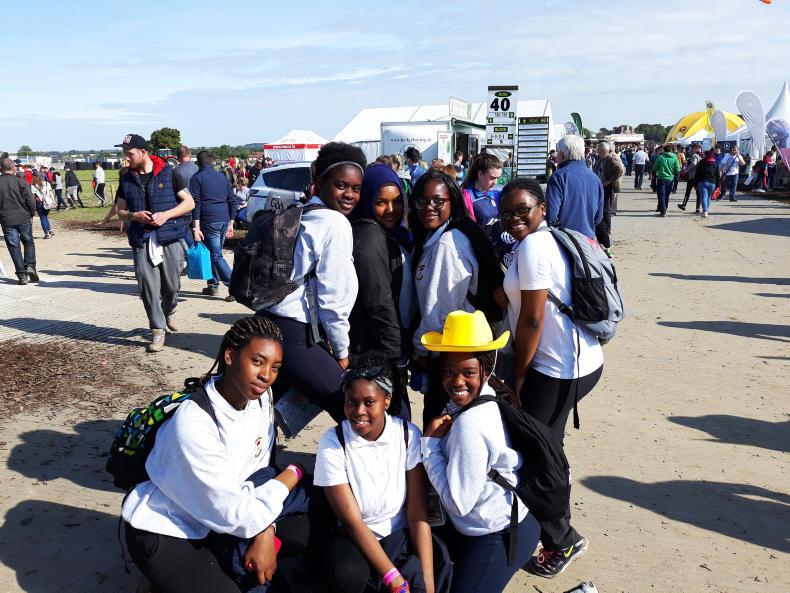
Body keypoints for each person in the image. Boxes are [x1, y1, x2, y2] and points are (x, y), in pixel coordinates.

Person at [122, 316, 310, 593]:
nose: (266, 375)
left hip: (226, 516)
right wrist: (293, 473)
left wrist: (265, 529)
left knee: (308, 516)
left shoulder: (261, 399)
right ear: (230, 356)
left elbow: (260, 474)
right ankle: (158, 582)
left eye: (275, 367)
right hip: (171, 529)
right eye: (257, 361)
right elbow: (237, 515)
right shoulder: (193, 423)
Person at [496, 178, 602, 578]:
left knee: (538, 452)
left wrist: (520, 374)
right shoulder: (546, 240)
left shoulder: (534, 246)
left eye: (522, 210)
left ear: (541, 207)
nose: (513, 218)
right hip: (576, 360)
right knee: (546, 445)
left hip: (558, 368)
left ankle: (563, 540)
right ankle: (555, 520)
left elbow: (534, 318)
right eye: (506, 213)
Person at [420, 311, 541, 593]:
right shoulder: (488, 394)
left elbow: (458, 504)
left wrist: (430, 447)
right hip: (501, 523)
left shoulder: (470, 425)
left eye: (468, 372)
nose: (457, 381)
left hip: (497, 535)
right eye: (449, 371)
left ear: (485, 369)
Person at [314, 352, 448, 593]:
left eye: (369, 402)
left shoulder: (408, 435)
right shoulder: (333, 442)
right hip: (357, 538)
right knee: (346, 574)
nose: (358, 411)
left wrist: (428, 582)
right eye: (351, 402)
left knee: (436, 569)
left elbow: (417, 510)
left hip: (400, 535)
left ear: (386, 400)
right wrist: (394, 579)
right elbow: (353, 521)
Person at [257, 142, 364, 420]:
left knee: (263, 416)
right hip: (296, 335)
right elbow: (333, 298)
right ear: (320, 182)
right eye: (341, 185)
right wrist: (341, 352)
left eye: (356, 188)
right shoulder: (335, 224)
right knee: (354, 411)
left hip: (267, 324)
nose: (349, 194)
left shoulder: (302, 213)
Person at [409, 170, 497, 423]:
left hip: (453, 353)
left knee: (441, 423)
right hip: (462, 349)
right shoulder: (442, 234)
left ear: (453, 202)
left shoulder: (448, 244)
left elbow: (438, 310)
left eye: (438, 201)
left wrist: (419, 350)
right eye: (422, 201)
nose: (429, 207)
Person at [114, 133, 195, 353]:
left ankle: (170, 309)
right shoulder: (126, 179)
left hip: (170, 236)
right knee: (147, 287)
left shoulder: (169, 173)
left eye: (129, 154)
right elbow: (120, 212)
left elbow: (189, 203)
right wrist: (134, 215)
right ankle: (157, 330)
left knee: (172, 285)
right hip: (142, 239)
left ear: (143, 152)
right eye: (124, 154)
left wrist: (166, 215)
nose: (126, 158)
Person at [349, 163, 416, 416]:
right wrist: (396, 357)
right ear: (367, 200)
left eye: (397, 201)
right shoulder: (369, 236)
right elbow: (379, 301)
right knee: (394, 418)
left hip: (386, 344)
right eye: (380, 202)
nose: (391, 209)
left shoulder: (393, 234)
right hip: (375, 349)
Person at [190, 150, 239, 299]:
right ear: (211, 162)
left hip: (209, 220)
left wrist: (196, 227)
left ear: (198, 163)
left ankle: (235, 287)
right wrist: (231, 222)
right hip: (224, 218)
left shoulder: (197, 178)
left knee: (216, 255)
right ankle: (213, 285)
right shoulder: (222, 177)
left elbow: (196, 203)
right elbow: (232, 200)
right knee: (213, 254)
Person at [545, 135, 603, 240]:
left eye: (558, 153)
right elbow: (598, 218)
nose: (556, 156)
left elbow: (551, 216)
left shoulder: (558, 177)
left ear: (562, 154)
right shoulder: (595, 179)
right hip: (587, 240)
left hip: (564, 240)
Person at [0, 158, 39, 284]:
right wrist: (31, 213)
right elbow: (31, 200)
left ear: (1, 169)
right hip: (23, 217)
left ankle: (22, 275)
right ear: (13, 168)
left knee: (14, 247)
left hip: (7, 219)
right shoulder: (20, 181)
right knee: (28, 242)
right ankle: (30, 266)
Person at [593, 142, 623, 256]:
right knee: (601, 209)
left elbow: (620, 170)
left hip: (607, 188)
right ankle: (603, 232)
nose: (598, 151)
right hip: (600, 187)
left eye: (599, 150)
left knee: (605, 210)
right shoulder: (600, 159)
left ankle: (606, 232)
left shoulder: (610, 159)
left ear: (605, 151)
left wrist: (609, 181)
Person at [462, 153, 503, 226]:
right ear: (480, 174)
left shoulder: (493, 193)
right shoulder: (467, 196)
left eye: (498, 178)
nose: (495, 182)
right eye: (492, 178)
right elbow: (468, 226)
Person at [653, 144, 680, 216]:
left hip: (661, 178)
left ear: (663, 150)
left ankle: (663, 211)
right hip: (670, 179)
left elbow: (655, 167)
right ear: (671, 150)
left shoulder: (660, 157)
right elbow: (677, 169)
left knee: (661, 195)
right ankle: (665, 207)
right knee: (667, 195)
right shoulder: (674, 158)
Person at [693, 149, 718, 218]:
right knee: (708, 197)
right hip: (712, 183)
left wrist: (695, 183)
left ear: (706, 155)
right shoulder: (715, 163)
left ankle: (705, 211)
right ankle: (706, 210)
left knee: (703, 197)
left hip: (702, 182)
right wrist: (718, 184)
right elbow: (718, 175)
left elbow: (697, 173)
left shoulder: (702, 162)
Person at [678, 144, 702, 212]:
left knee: (688, 192)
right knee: (698, 193)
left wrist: (688, 169)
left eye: (693, 148)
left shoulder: (694, 156)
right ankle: (698, 208)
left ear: (694, 148)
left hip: (692, 177)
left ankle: (683, 205)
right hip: (698, 177)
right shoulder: (700, 157)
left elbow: (693, 164)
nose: (691, 149)